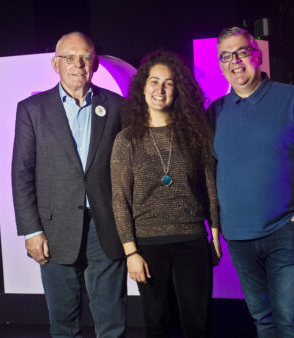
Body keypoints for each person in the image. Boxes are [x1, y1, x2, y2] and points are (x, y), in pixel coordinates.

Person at [209, 27, 294, 338]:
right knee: (264, 323)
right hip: (238, 238)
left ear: (258, 55)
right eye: (226, 56)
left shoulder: (293, 97)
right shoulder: (214, 111)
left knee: (290, 323)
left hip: (287, 231)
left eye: (241, 52)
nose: (234, 61)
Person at [12, 32, 126, 338]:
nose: (78, 64)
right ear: (55, 64)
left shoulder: (117, 107)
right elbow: (21, 173)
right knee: (63, 327)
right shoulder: (32, 110)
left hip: (106, 228)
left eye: (85, 57)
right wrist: (32, 231)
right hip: (54, 231)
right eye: (69, 57)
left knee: (112, 325)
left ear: (96, 63)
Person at [110, 51, 221, 338]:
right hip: (148, 245)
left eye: (168, 83)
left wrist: (216, 235)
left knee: (199, 323)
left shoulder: (195, 134)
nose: (160, 90)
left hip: (192, 241)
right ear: (142, 87)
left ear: (178, 90)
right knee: (157, 323)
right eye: (154, 81)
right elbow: (120, 199)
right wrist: (131, 252)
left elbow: (210, 186)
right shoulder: (126, 140)